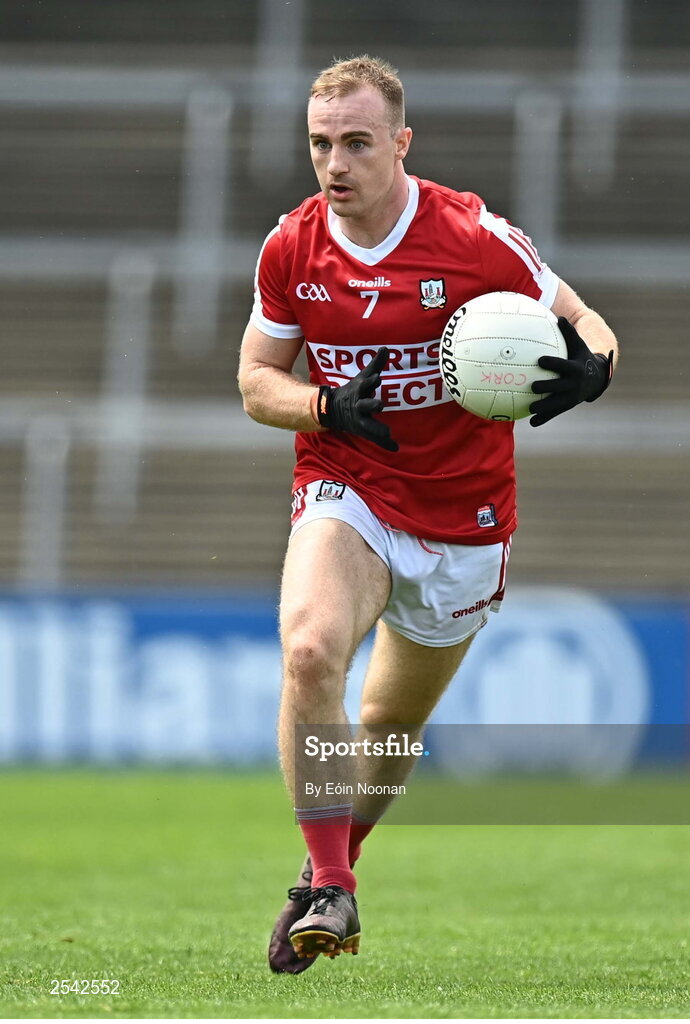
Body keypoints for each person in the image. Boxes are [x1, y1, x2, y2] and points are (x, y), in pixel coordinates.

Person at [237, 54, 617, 974]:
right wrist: (326, 409)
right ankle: (330, 884)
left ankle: (336, 863)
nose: (335, 163)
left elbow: (587, 321)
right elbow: (255, 381)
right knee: (310, 648)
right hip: (349, 482)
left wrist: (593, 368)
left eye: (357, 143)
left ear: (400, 143)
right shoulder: (294, 247)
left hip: (464, 516)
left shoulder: (476, 237)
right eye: (322, 143)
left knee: (387, 729)